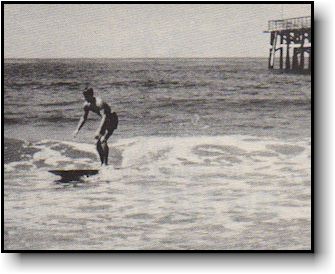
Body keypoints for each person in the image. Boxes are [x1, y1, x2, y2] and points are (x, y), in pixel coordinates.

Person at [73, 87, 118, 165]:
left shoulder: (99, 103)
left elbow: (105, 116)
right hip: (105, 120)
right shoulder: (87, 105)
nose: (85, 98)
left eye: (86, 96)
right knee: (97, 142)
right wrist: (77, 129)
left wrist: (99, 130)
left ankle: (106, 164)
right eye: (84, 96)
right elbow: (84, 117)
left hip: (112, 119)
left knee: (103, 140)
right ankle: (102, 163)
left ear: (91, 95)